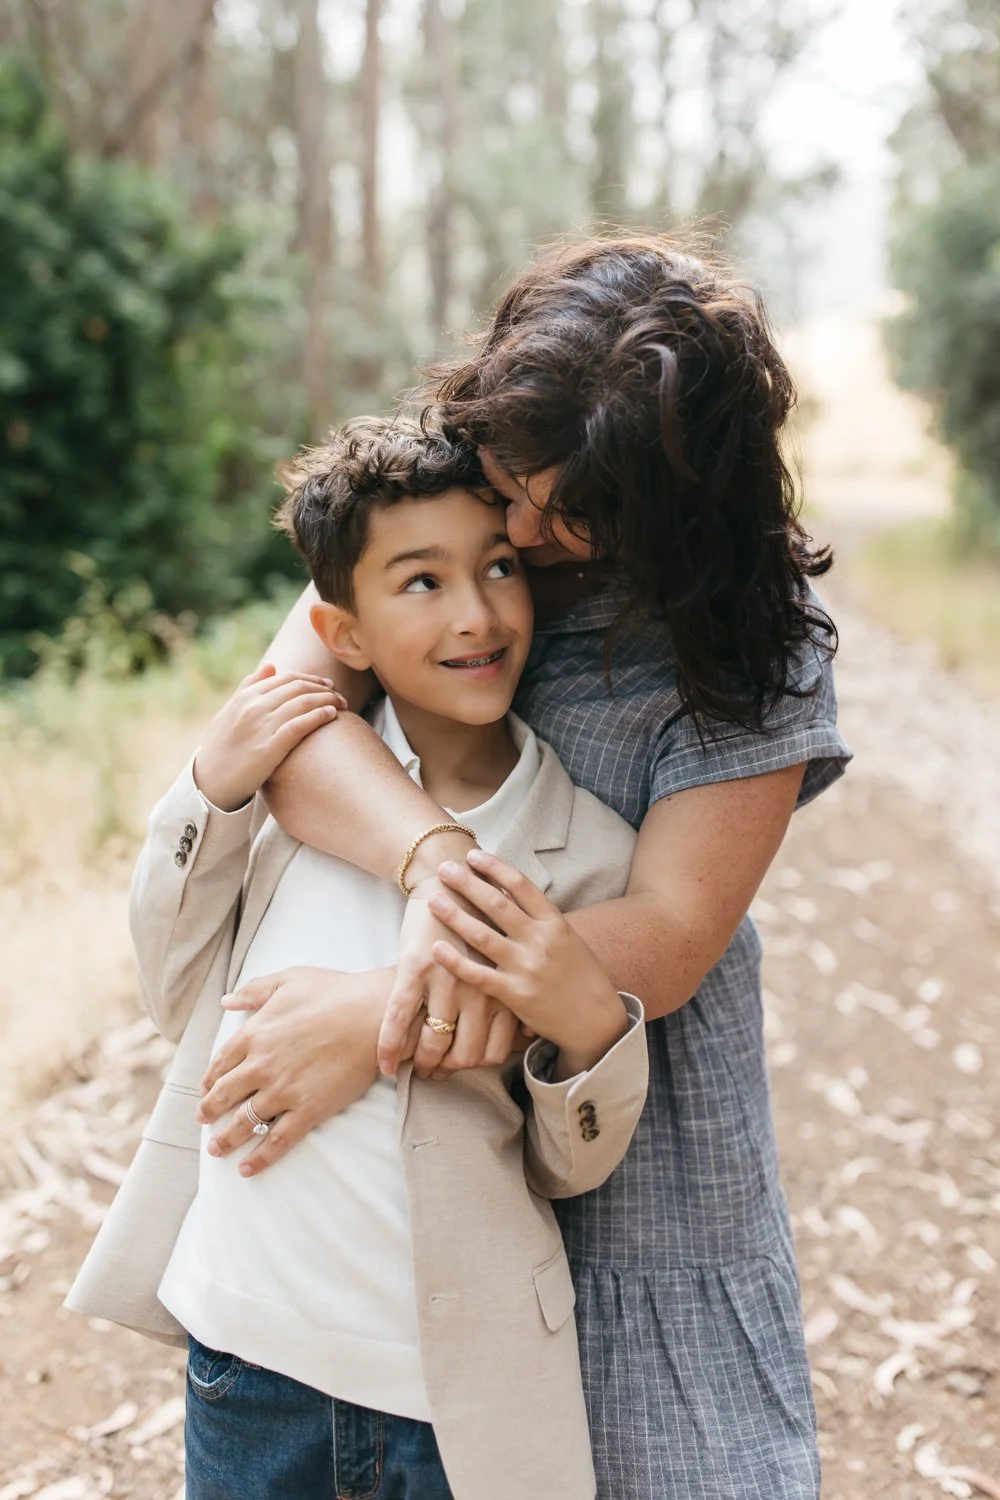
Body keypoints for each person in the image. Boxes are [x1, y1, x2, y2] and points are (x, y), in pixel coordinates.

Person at [185, 235, 854, 1499]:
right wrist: (435, 859)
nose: (529, 530)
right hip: (433, 1130)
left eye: (577, 513)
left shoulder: (751, 635)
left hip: (624, 1083)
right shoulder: (450, 491)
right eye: (519, 482)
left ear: (679, 500)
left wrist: (381, 1010)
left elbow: (668, 931)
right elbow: (291, 722)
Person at [67, 417, 650, 1500]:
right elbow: (171, 982)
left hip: (449, 1389)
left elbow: (569, 1165)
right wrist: (210, 787)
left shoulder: (585, 852)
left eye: (499, 570)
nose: (476, 613)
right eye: (420, 583)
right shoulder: (291, 802)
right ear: (342, 631)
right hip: (246, 1353)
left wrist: (588, 1029)